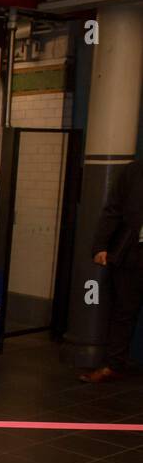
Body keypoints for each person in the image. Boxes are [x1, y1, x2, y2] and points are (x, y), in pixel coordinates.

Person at [81, 159, 143, 382]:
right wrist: (101, 245)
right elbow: (113, 209)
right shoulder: (134, 171)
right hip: (132, 253)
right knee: (123, 312)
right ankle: (113, 365)